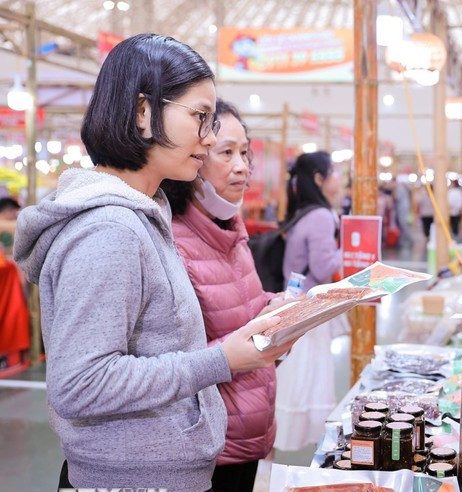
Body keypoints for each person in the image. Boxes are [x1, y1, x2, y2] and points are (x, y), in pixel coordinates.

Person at [13, 34, 292, 492]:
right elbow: (81, 383)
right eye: (200, 117)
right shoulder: (110, 230)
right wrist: (221, 360)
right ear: (143, 112)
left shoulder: (144, 214)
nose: (208, 137)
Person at [161, 99, 287, 492]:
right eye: (226, 152)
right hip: (211, 447)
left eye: (245, 152)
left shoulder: (233, 230)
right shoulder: (173, 245)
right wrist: (240, 349)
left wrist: (279, 311)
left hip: (252, 435)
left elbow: (241, 311)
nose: (242, 166)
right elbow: (171, 362)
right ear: (194, 158)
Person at [274, 151, 345, 451]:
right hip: (309, 309)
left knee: (294, 381)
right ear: (319, 178)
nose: (339, 178)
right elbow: (323, 266)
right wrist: (350, 250)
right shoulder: (321, 216)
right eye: (334, 171)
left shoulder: (305, 211)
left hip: (295, 304)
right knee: (305, 382)